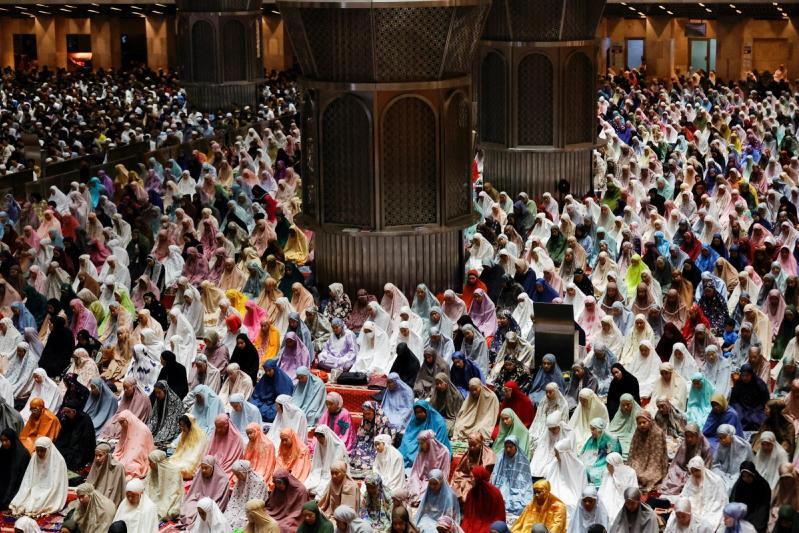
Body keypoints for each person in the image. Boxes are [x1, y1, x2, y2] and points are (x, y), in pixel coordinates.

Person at [9, 437, 68, 516]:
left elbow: (57, 483)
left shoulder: (59, 460)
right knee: (24, 499)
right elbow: (28, 477)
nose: (39, 453)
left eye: (42, 450)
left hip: (51, 488)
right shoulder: (34, 456)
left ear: (49, 449)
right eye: (38, 450)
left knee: (40, 502)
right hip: (35, 486)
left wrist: (45, 490)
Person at [180, 455, 231, 528]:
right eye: (202, 468)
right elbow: (194, 491)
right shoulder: (199, 474)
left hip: (213, 502)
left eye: (206, 468)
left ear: (212, 467)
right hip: (198, 499)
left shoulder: (223, 479)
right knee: (187, 506)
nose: (203, 470)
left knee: (204, 512)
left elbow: (222, 500)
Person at [680, 456, 728, 531]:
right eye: (692, 471)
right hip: (694, 508)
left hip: (711, 507)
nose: (694, 473)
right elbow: (684, 496)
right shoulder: (691, 480)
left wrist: (706, 508)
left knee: (707, 522)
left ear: (702, 468)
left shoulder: (715, 481)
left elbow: (720, 500)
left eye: (697, 470)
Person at [491, 435, 532, 516]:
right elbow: (496, 474)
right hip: (503, 485)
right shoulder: (501, 456)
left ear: (516, 447)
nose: (508, 450)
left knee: (522, 506)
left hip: (518, 487)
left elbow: (526, 481)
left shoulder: (523, 460)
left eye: (510, 447)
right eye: (506, 447)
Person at [53, 399, 96, 472]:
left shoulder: (85, 420)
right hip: (68, 445)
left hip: (80, 448)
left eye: (68, 412)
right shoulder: (66, 418)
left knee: (72, 460)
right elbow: (62, 436)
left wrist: (73, 449)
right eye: (65, 412)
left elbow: (86, 441)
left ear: (74, 411)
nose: (65, 414)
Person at [224, 460, 268, 530]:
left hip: (251, 509)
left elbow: (255, 503)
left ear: (244, 472)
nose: (237, 477)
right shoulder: (240, 481)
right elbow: (234, 499)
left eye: (238, 474)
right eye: (236, 475)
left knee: (241, 522)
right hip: (237, 508)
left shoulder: (259, 482)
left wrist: (243, 512)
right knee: (226, 518)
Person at [305, 426, 348, 497]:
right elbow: (317, 463)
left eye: (321, 437)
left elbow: (337, 465)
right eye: (317, 438)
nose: (319, 440)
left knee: (323, 489)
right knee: (308, 486)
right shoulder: (319, 444)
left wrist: (326, 474)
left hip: (333, 472)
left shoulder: (338, 446)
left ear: (326, 436)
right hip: (322, 471)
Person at [729, 461, 771, 532]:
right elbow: (734, 501)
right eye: (743, 476)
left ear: (753, 474)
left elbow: (763, 507)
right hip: (743, 513)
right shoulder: (740, 484)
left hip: (757, 513)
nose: (746, 479)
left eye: (749, 476)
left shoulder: (763, 486)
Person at [461, 465, 505, 533]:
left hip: (490, 521)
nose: (470, 479)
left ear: (478, 478)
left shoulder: (494, 493)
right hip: (474, 521)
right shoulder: (472, 492)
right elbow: (468, 514)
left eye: (472, 477)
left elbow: (499, 515)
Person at [144, 449, 183, 520]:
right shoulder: (152, 470)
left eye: (151, 462)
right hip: (156, 496)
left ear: (156, 463)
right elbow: (147, 485)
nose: (149, 464)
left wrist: (164, 502)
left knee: (171, 511)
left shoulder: (174, 471)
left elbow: (175, 492)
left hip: (168, 497)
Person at [265, 468, 309, 532]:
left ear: (286, 481)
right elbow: (271, 505)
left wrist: (289, 518)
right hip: (276, 514)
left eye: (279, 483)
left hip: (293, 517)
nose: (277, 485)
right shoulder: (277, 488)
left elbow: (300, 510)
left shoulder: (300, 490)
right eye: (276, 483)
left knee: (284, 527)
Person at [169, 414, 209, 479]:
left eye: (184, 426)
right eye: (180, 426)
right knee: (169, 463)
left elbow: (196, 456)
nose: (182, 428)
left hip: (191, 462)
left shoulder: (201, 437)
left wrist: (184, 461)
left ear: (190, 425)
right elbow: (179, 451)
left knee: (183, 469)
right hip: (182, 459)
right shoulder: (184, 434)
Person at [0, 428, 30, 511]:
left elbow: (21, 479)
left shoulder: (22, 454)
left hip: (18, 487)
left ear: (12, 439)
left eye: (6, 440)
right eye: (2, 441)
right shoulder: (3, 451)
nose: (4, 443)